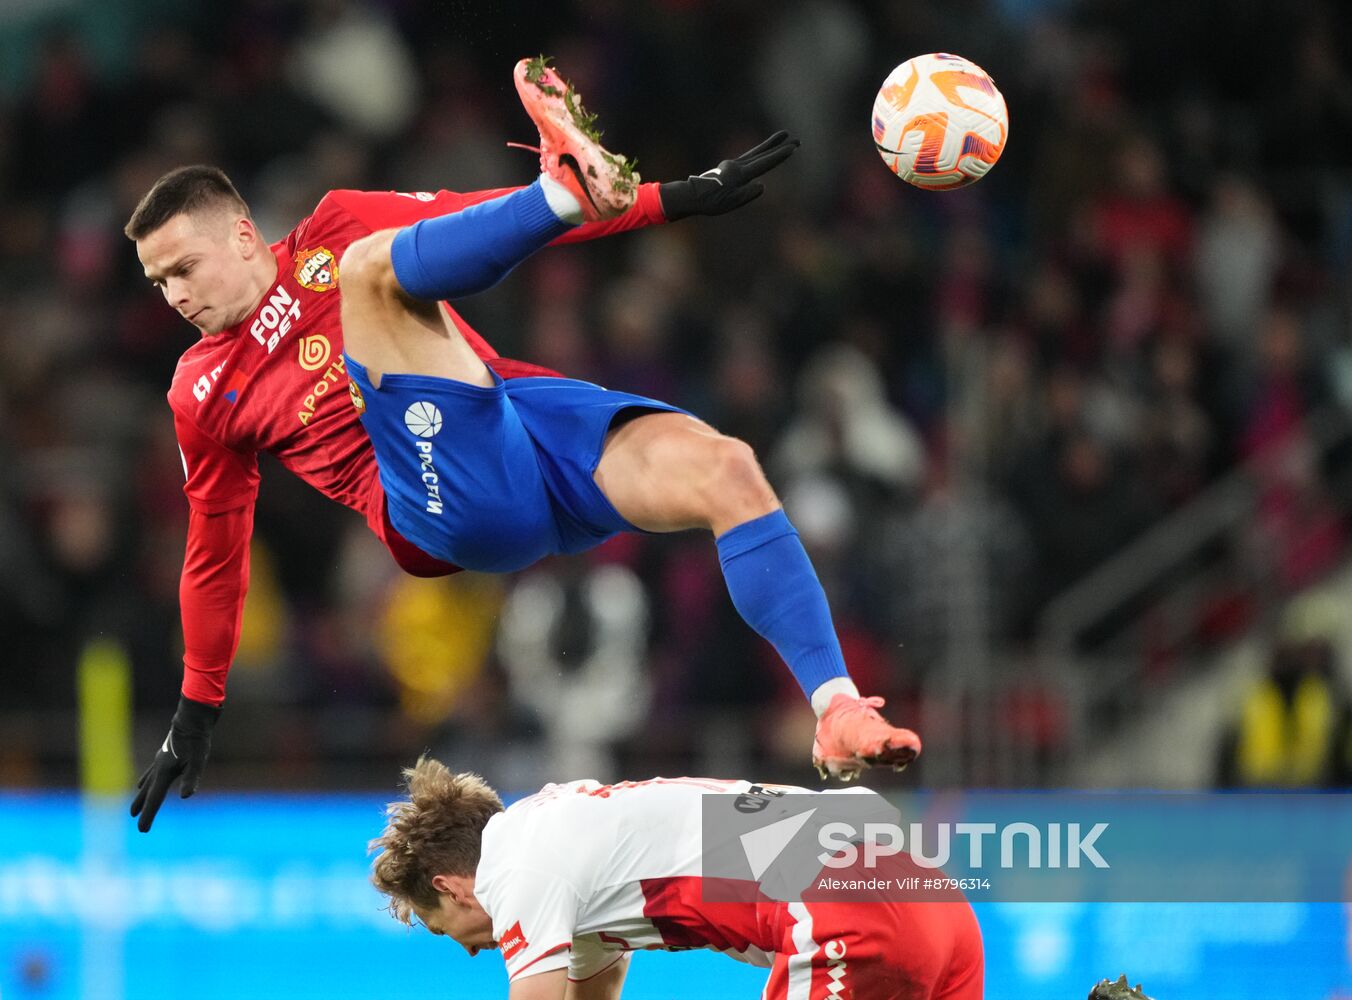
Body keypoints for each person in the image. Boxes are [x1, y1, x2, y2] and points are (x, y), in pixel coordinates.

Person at [126, 57, 921, 833]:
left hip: (519, 418)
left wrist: (672, 200)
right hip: (438, 507)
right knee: (372, 271)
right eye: (160, 282)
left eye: (184, 268)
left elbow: (485, 214)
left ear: (240, 234)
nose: (176, 297)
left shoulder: (336, 221)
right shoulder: (200, 390)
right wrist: (196, 709)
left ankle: (834, 704)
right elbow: (215, 550)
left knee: (727, 467)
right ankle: (563, 189)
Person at [369, 756, 983, 999]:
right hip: (922, 884)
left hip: (841, 904)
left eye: (440, 927)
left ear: (452, 886)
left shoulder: (514, 866)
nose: (472, 949)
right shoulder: (558, 840)